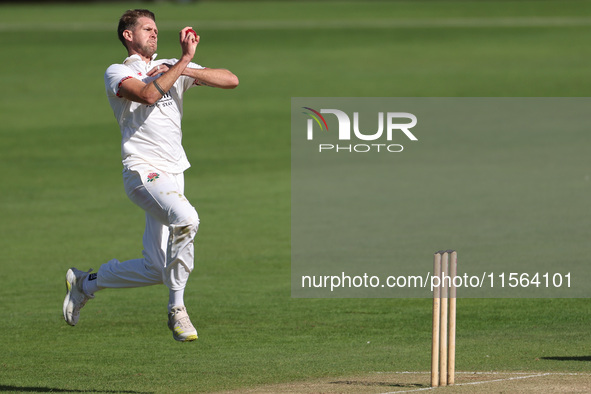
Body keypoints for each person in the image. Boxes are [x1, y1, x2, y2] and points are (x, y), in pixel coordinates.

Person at [62, 9, 239, 342]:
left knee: (158, 268)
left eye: (156, 29)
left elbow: (231, 79)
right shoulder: (117, 72)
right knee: (186, 218)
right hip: (142, 170)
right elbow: (147, 95)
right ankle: (177, 310)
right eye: (147, 29)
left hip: (174, 171)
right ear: (128, 35)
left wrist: (182, 64)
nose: (155, 34)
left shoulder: (172, 64)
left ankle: (86, 283)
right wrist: (180, 64)